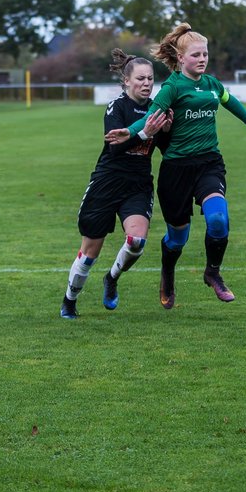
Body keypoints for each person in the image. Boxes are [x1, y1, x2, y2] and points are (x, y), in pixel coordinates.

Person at [106, 23, 246, 308]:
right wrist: (130, 132)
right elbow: (151, 118)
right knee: (178, 238)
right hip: (177, 170)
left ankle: (213, 273)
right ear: (181, 59)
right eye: (196, 55)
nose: (202, 59)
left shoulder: (212, 85)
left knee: (219, 219)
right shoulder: (172, 87)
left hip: (209, 163)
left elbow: (230, 102)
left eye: (205, 54)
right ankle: (168, 273)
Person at [60, 50, 171, 320]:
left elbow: (165, 150)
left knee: (136, 242)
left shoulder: (158, 108)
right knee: (89, 252)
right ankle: (70, 300)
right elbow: (114, 150)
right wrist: (145, 132)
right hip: (107, 184)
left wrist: (166, 132)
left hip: (138, 186)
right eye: (141, 79)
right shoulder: (117, 107)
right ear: (127, 81)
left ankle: (111, 278)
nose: (147, 83)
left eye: (151, 79)